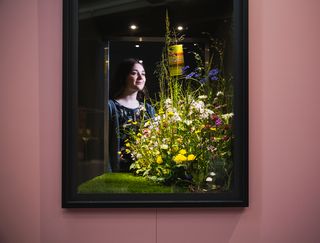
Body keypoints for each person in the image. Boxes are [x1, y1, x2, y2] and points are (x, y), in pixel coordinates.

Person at [108, 58, 155, 172]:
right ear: (123, 77)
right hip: (117, 173)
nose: (140, 77)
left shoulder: (148, 109)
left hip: (144, 170)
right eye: (134, 73)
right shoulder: (110, 106)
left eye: (143, 74)